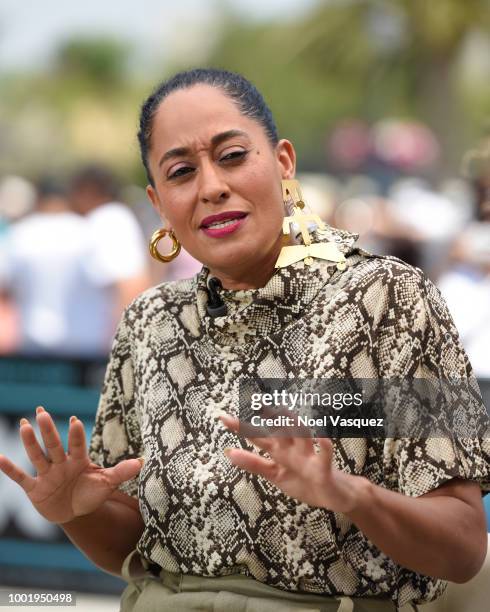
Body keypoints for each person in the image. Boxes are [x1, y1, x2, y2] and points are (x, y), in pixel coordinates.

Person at [0, 69, 488, 612]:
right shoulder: (151, 322)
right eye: (181, 172)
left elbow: (463, 544)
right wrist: (77, 511)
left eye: (232, 156)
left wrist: (353, 496)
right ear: (158, 202)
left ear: (283, 163)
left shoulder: (387, 299)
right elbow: (138, 542)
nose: (211, 187)